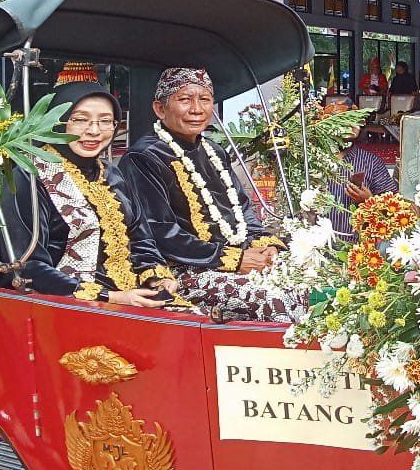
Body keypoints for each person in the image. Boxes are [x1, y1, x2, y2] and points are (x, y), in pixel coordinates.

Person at [0, 80, 179, 307]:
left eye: (105, 121)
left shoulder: (111, 173)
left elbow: (141, 239)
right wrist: (111, 297)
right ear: (57, 121)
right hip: (62, 304)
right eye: (80, 120)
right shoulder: (29, 177)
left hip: (130, 294)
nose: (94, 131)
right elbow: (27, 265)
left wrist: (156, 276)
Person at [117, 68, 303, 322]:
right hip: (180, 270)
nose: (196, 109)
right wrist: (235, 260)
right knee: (271, 298)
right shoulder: (144, 157)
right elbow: (160, 232)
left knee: (310, 280)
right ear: (160, 109)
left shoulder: (213, 150)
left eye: (204, 99)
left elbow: (242, 208)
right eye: (185, 100)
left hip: (236, 258)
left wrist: (265, 246)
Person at [323, 102, 398, 239]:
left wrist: (369, 201)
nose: (354, 125)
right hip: (316, 248)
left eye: (357, 120)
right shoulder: (313, 161)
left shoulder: (371, 162)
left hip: (358, 252)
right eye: (347, 120)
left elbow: (394, 211)